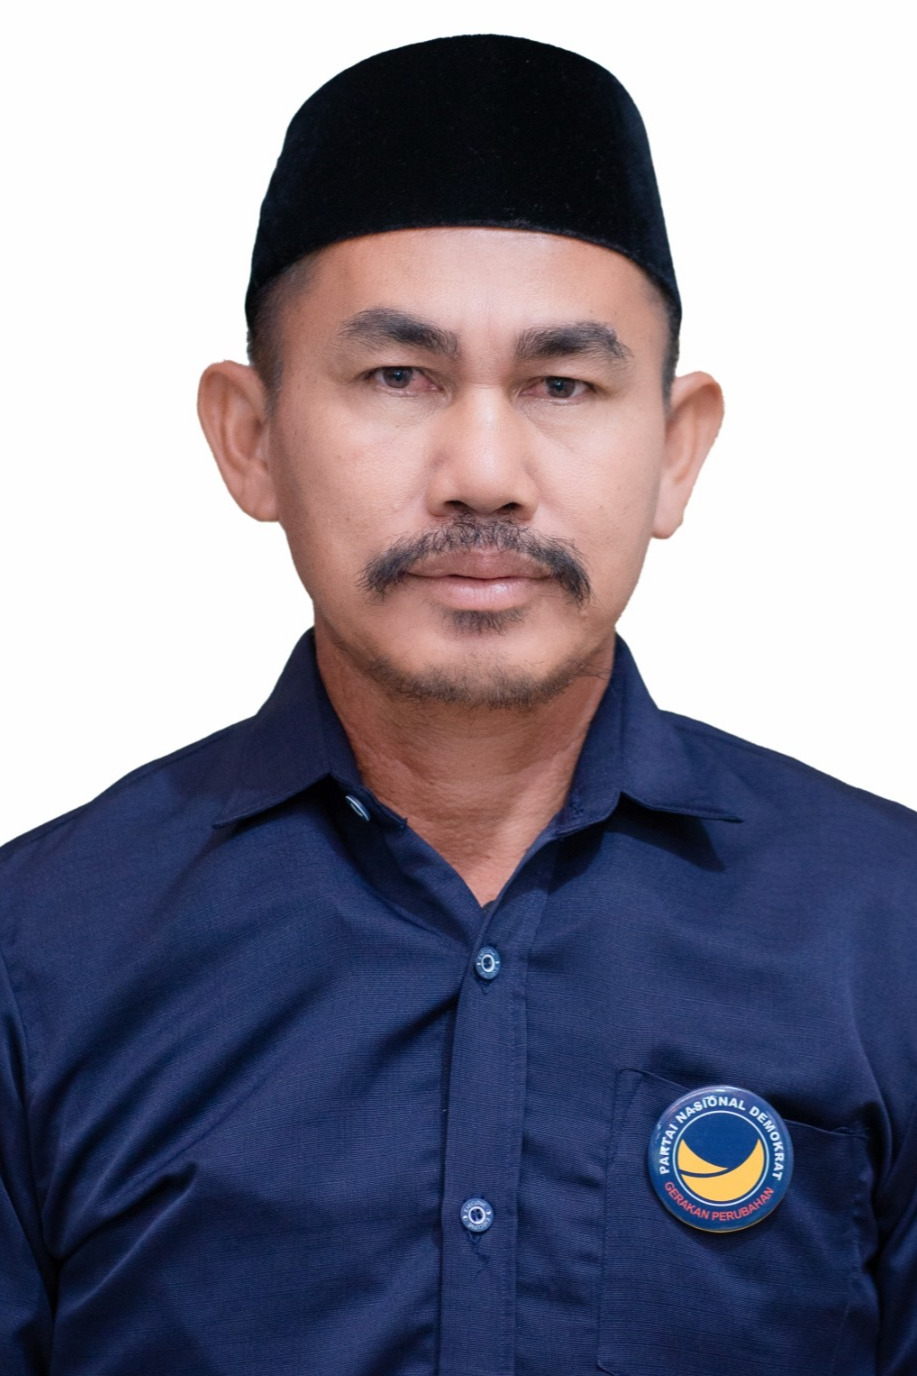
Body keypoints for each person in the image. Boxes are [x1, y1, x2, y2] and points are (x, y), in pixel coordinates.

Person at [0, 32, 914, 1375]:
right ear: (250, 437)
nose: (483, 472)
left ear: (675, 452)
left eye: (562, 384)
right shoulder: (37, 958)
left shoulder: (886, 933)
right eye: (398, 376)